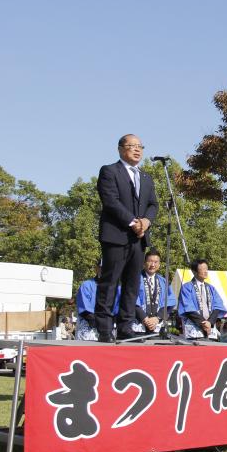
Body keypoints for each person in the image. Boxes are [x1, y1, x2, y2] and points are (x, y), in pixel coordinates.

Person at [95, 134, 158, 341]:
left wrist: (146, 222)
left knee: (132, 285)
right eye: (132, 146)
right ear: (121, 149)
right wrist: (133, 222)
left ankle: (125, 327)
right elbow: (110, 201)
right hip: (116, 235)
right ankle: (104, 329)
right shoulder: (110, 171)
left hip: (138, 239)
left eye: (141, 146)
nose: (137, 150)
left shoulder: (146, 177)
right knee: (110, 282)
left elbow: (152, 204)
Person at [177, 259, 227, 340]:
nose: (205, 271)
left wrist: (210, 322)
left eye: (206, 269)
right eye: (202, 269)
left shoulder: (211, 288)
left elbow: (218, 306)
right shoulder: (186, 287)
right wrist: (204, 324)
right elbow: (188, 308)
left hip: (210, 329)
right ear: (194, 271)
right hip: (194, 329)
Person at [132, 249, 176, 336]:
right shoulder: (135, 279)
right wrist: (145, 319)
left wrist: (157, 318)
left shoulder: (164, 282)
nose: (153, 265)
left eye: (156, 262)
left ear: (159, 264)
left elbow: (169, 302)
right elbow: (132, 299)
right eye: (150, 261)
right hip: (138, 325)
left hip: (157, 327)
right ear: (144, 263)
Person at [75, 265, 119, 341]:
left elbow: (116, 311)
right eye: (102, 267)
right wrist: (102, 325)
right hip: (88, 332)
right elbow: (85, 311)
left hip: (109, 331)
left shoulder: (116, 288)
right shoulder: (86, 285)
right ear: (97, 268)